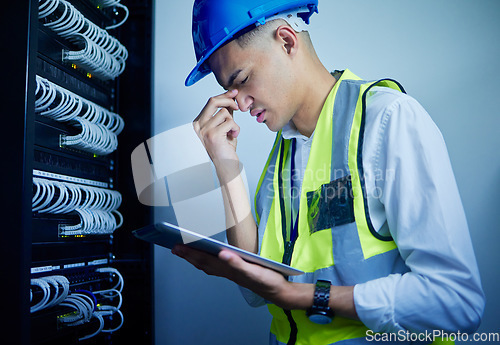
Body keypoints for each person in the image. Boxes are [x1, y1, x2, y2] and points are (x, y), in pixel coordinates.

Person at [172, 0, 486, 344]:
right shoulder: (282, 157)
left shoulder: (388, 120)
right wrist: (224, 162)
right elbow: (258, 291)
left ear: (287, 41)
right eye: (229, 91)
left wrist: (306, 296)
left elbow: (457, 300)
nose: (241, 105)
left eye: (243, 80)